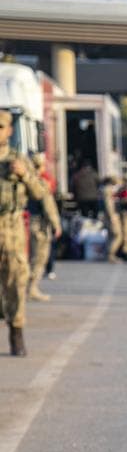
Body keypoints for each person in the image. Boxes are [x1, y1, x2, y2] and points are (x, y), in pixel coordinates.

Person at [1, 112, 50, 356]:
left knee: (16, 283)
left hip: (12, 228)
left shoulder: (19, 160)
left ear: (9, 130)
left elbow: (41, 193)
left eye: (0, 127)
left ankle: (16, 332)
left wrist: (25, 175)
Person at [26, 155, 62, 302]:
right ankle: (32, 289)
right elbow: (48, 206)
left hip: (31, 222)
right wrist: (56, 224)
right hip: (40, 224)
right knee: (39, 258)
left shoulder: (26, 181)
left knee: (33, 258)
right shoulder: (40, 183)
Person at [99, 176, 122, 263]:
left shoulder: (104, 190)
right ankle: (111, 254)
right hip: (112, 217)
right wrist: (112, 216)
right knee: (118, 236)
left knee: (110, 236)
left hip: (108, 217)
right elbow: (109, 205)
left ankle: (108, 255)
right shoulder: (108, 191)